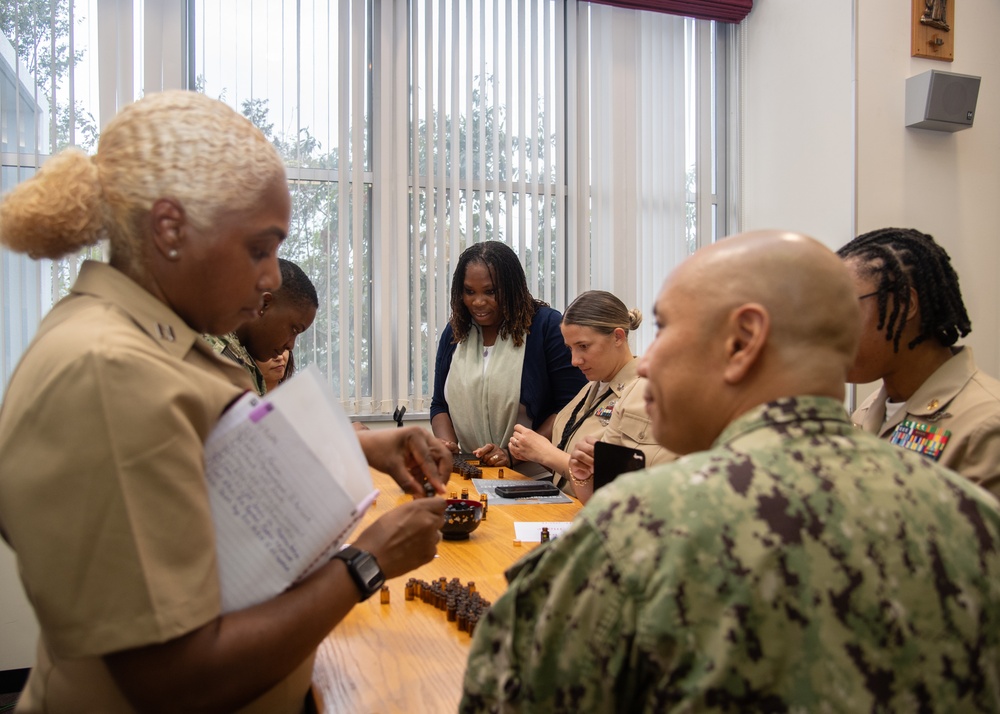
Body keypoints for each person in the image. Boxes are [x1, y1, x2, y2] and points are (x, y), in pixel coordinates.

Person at [0, 90, 450, 714]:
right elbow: (175, 680)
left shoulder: (153, 343)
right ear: (169, 228)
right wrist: (367, 561)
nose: (270, 279)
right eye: (258, 249)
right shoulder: (106, 372)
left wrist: (368, 444)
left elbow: (216, 456)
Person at [460, 230, 1000, 712]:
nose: (646, 362)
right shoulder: (976, 521)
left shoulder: (643, 529)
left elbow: (503, 694)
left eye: (667, 328)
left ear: (743, 342)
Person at [838, 227, 1000, 498]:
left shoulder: (986, 425)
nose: (833, 327)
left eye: (845, 308)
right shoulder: (869, 411)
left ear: (905, 304)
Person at [430, 241, 585, 477]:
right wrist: (449, 448)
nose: (478, 302)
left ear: (512, 288)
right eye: (469, 291)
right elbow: (440, 404)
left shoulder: (546, 326)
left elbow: (571, 405)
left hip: (534, 475)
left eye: (490, 291)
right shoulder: (455, 332)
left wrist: (513, 453)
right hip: (471, 473)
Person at [508, 290, 672, 501]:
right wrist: (530, 451)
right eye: (570, 348)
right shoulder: (591, 388)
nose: (575, 360)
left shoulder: (644, 392)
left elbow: (619, 483)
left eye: (583, 346)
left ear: (618, 337)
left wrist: (546, 453)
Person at [205, 257, 317, 396]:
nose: (291, 345)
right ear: (264, 304)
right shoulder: (217, 357)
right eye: (293, 330)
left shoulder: (242, 359)